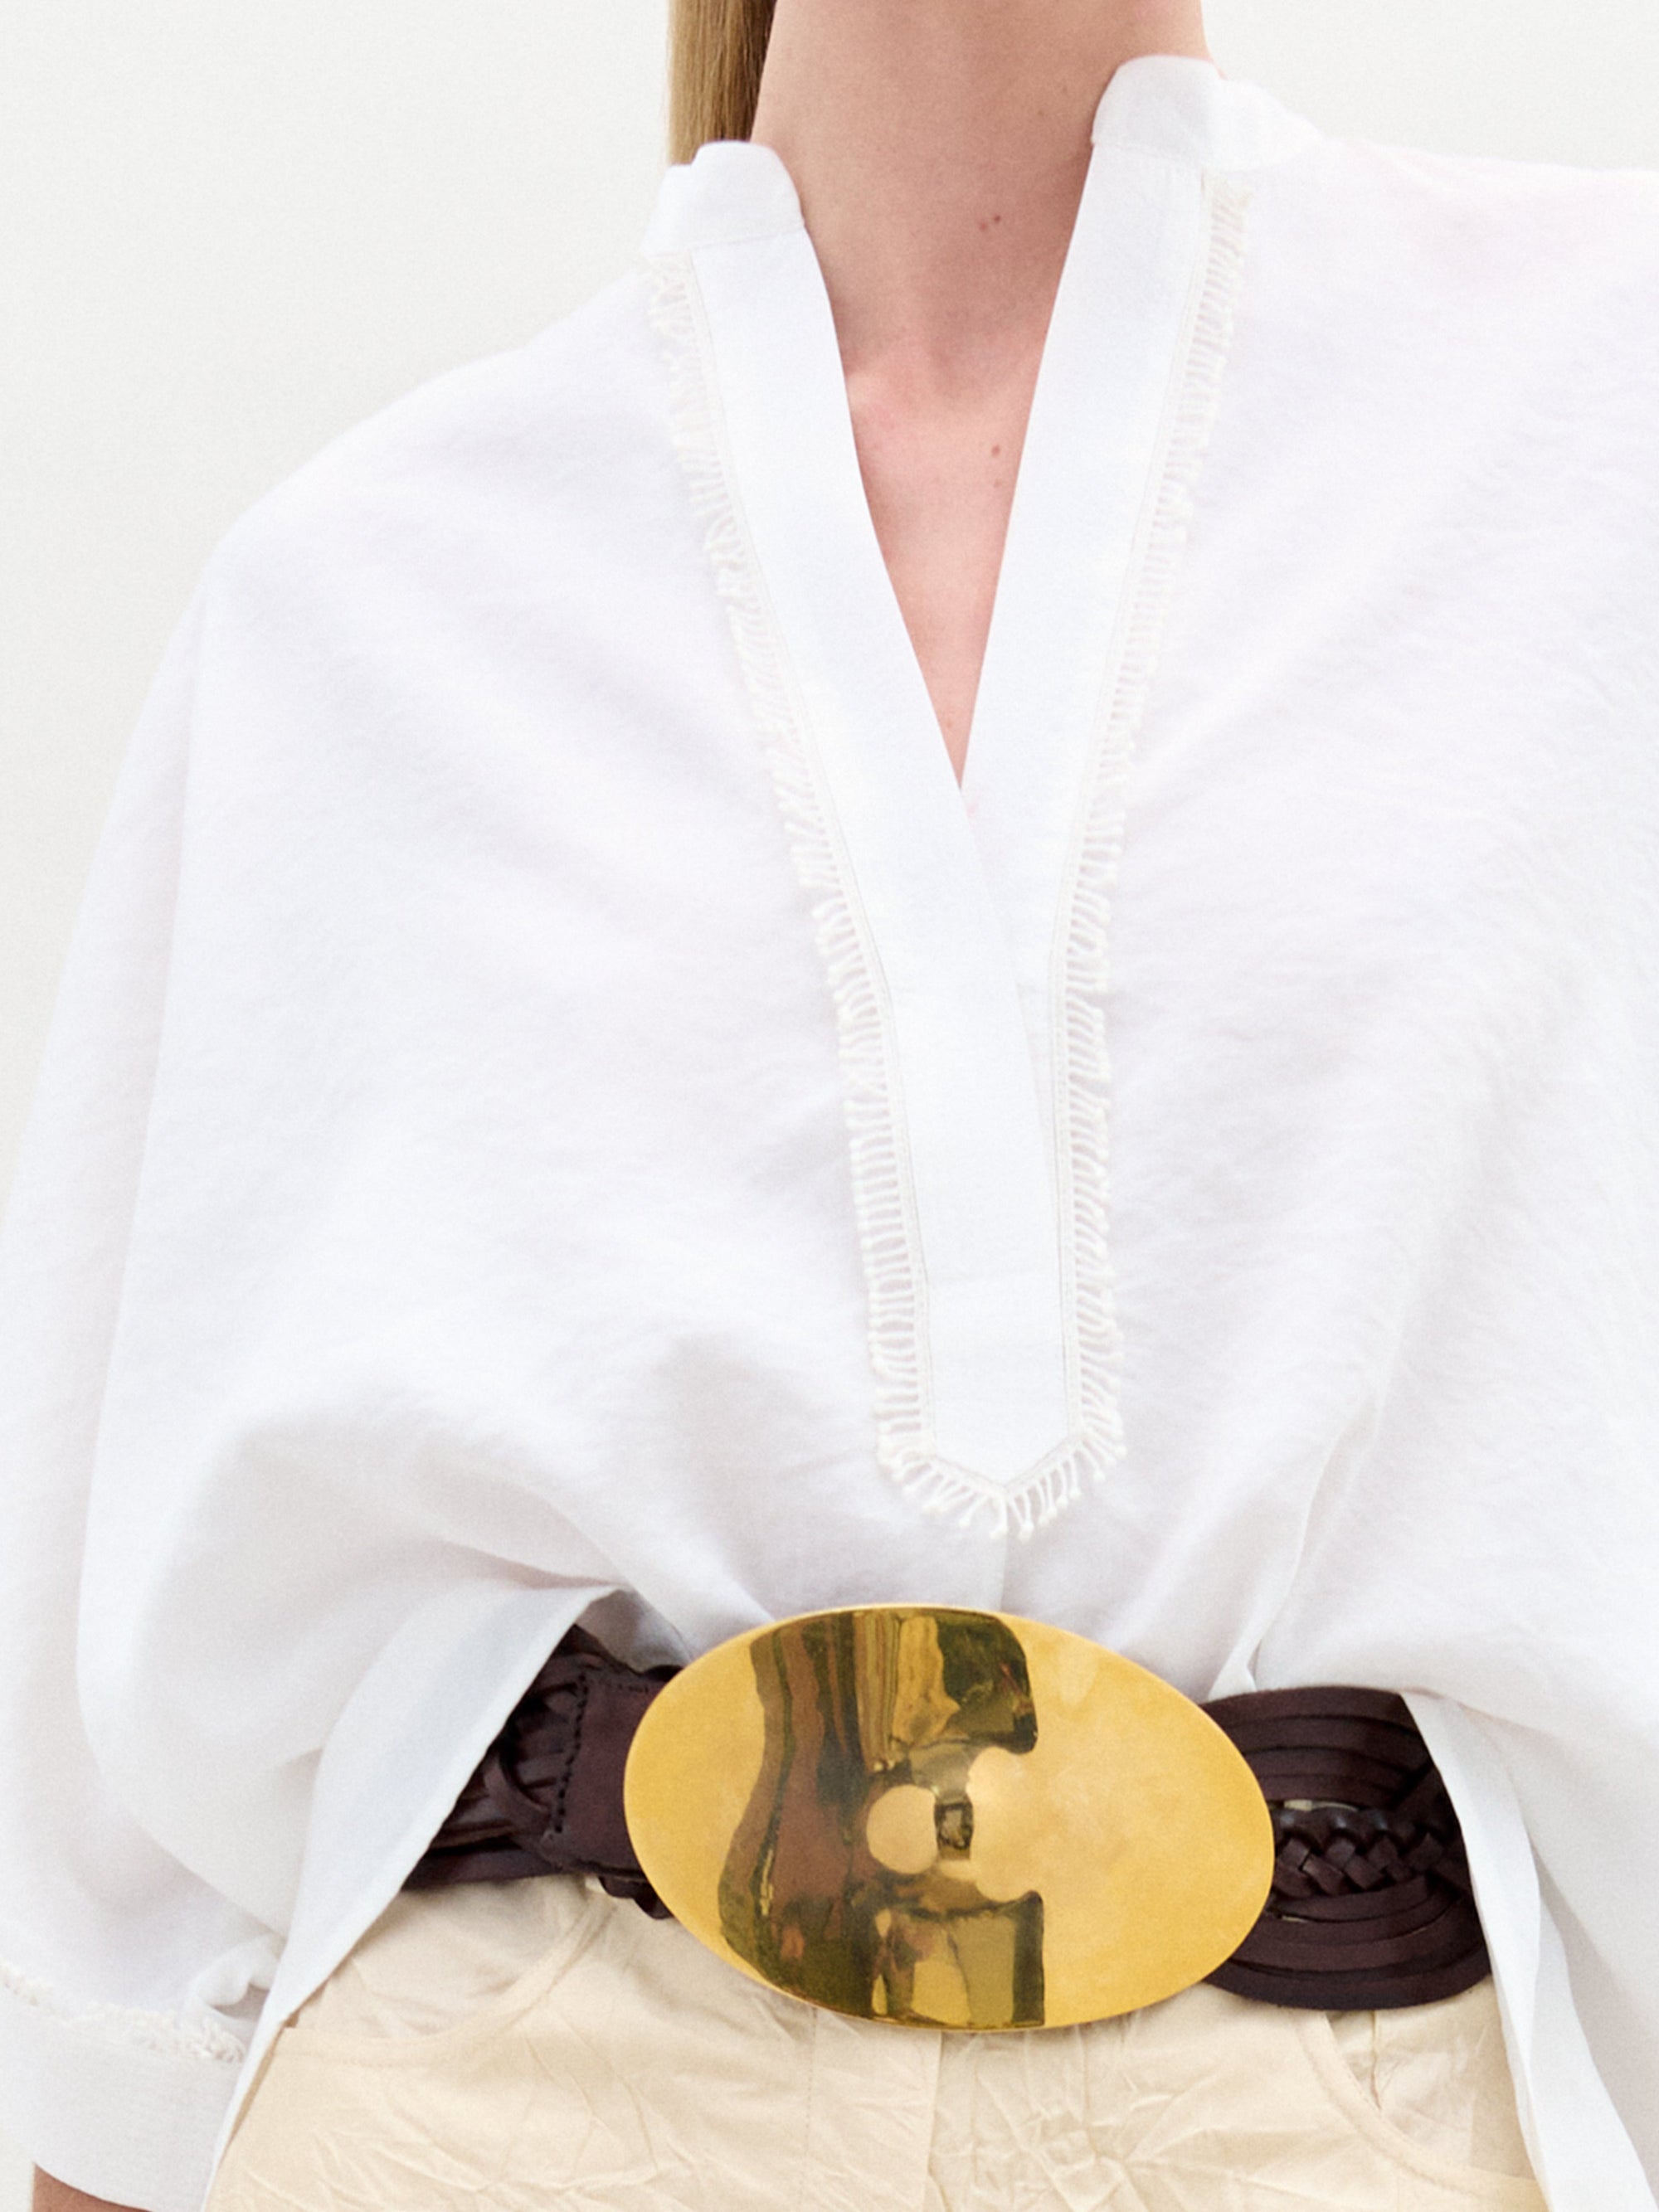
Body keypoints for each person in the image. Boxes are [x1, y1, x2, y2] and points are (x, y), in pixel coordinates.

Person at [4, 0, 1658, 2206]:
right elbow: (110, 1945)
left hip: (1339, 2085)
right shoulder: (355, 599)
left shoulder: (1594, 394)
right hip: (486, 2094)